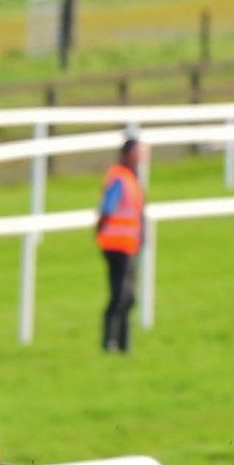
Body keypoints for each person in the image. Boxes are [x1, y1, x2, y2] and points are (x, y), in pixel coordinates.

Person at [95, 128, 146, 353]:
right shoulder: (119, 178)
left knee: (128, 296)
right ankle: (110, 342)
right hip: (115, 245)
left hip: (129, 245)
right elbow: (107, 208)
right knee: (120, 295)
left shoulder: (132, 179)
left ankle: (123, 343)